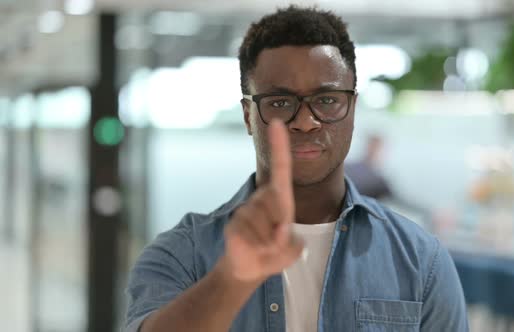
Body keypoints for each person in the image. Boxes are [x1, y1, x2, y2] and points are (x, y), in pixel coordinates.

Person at [124, 6, 468, 332]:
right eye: (280, 102)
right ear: (248, 116)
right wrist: (232, 279)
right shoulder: (184, 253)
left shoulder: (421, 261)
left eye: (327, 100)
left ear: (352, 109)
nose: (305, 121)